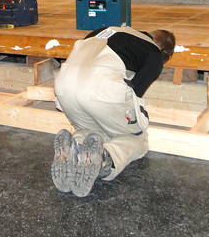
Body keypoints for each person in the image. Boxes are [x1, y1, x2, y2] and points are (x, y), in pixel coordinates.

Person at [51, 25, 175, 197]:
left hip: (63, 87)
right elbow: (134, 94)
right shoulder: (154, 53)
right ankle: (104, 159)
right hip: (101, 90)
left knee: (92, 129)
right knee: (136, 137)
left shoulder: (105, 31)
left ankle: (75, 149)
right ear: (164, 52)